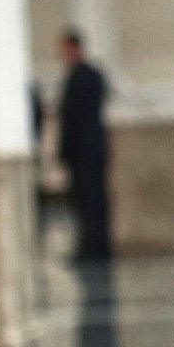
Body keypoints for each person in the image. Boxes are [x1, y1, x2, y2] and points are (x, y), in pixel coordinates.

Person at [57, 29, 112, 262]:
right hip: (91, 149)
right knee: (90, 200)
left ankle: (92, 248)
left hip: (84, 150)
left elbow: (73, 118)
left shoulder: (81, 77)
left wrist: (65, 148)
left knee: (89, 201)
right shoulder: (90, 75)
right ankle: (94, 247)